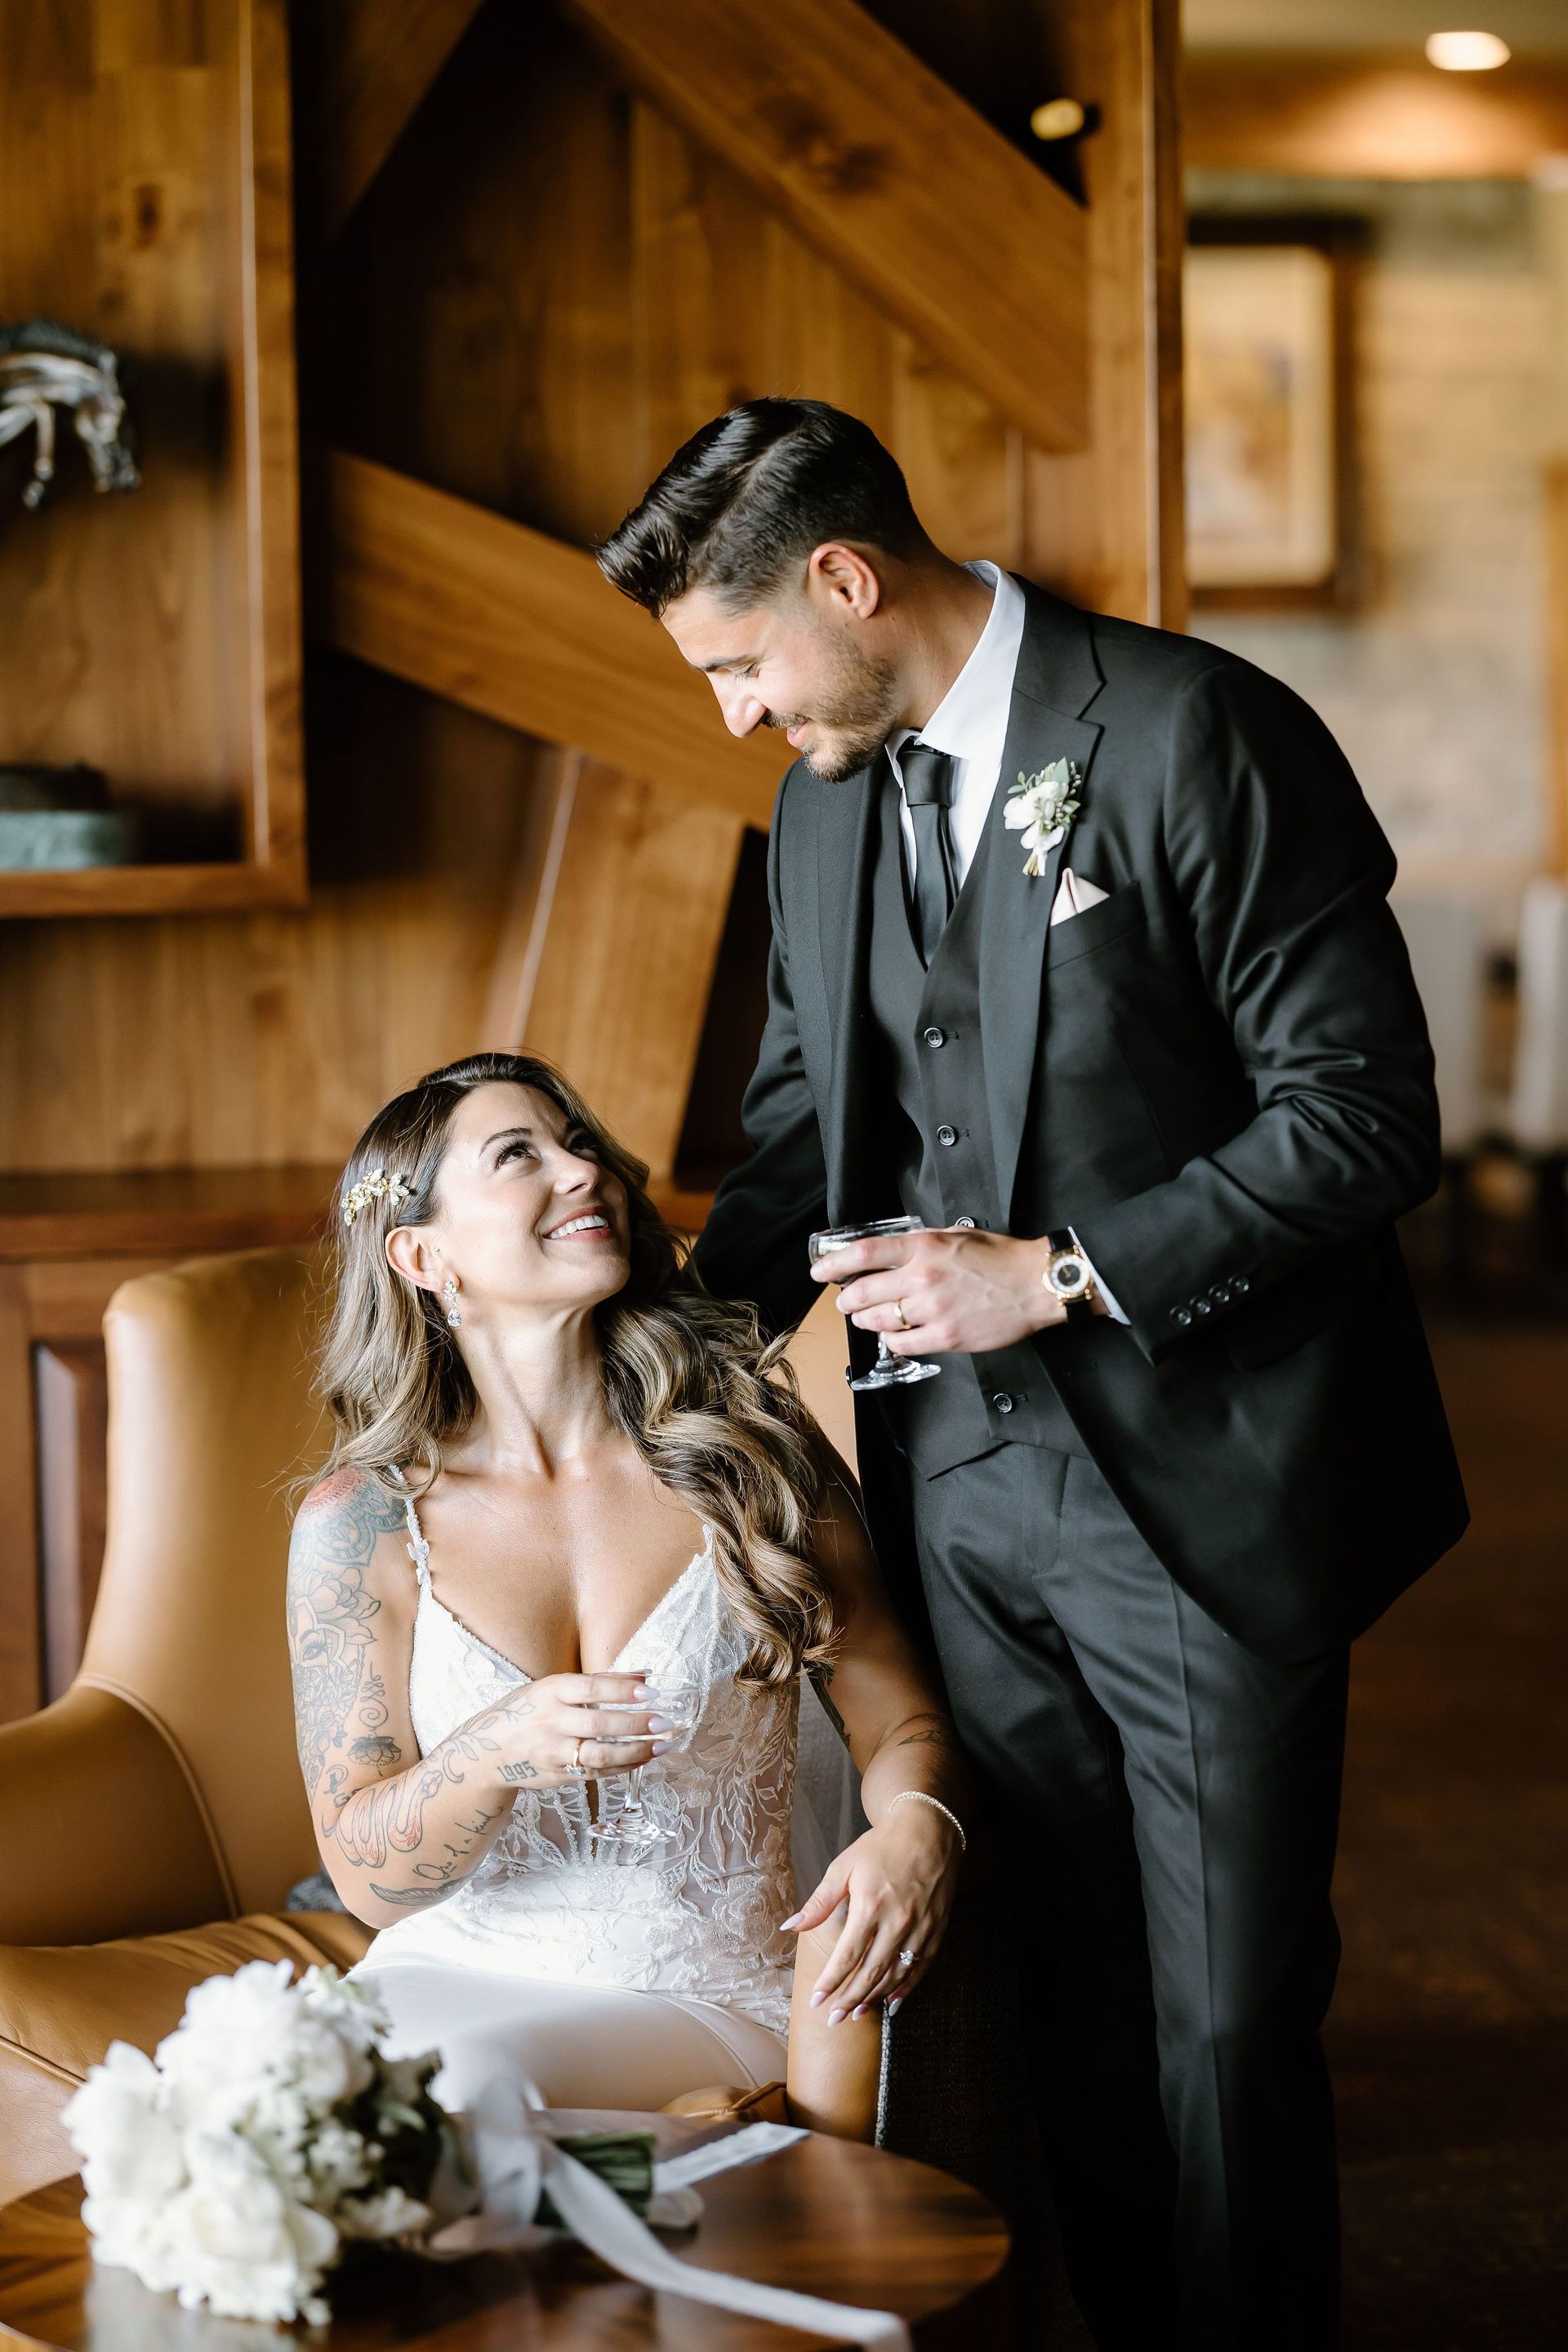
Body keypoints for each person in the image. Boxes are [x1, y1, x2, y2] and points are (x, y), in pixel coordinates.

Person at [595, 398, 1469, 2352]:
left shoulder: (1188, 733)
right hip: (950, 1503)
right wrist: (632, 1369)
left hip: (1203, 1479)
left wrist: (1058, 1272)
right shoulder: (825, 801)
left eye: (740, 664)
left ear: (845, 580)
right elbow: (806, 1120)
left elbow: (1366, 1118)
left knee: (1229, 2021)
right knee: (1069, 1996)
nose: (737, 716)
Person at [286, 1050, 968, 2123]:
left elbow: (899, 1720)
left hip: (702, 1992)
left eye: (582, 1145)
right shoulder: (360, 1523)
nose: (583, 1172)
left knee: (457, 2102)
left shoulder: (748, 1454)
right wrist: (496, 1751)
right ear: (421, 1254)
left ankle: (598, 2201)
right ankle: (644, 2201)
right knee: (298, 2101)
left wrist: (920, 1827)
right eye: (520, 1155)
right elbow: (371, 1880)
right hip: (442, 1979)